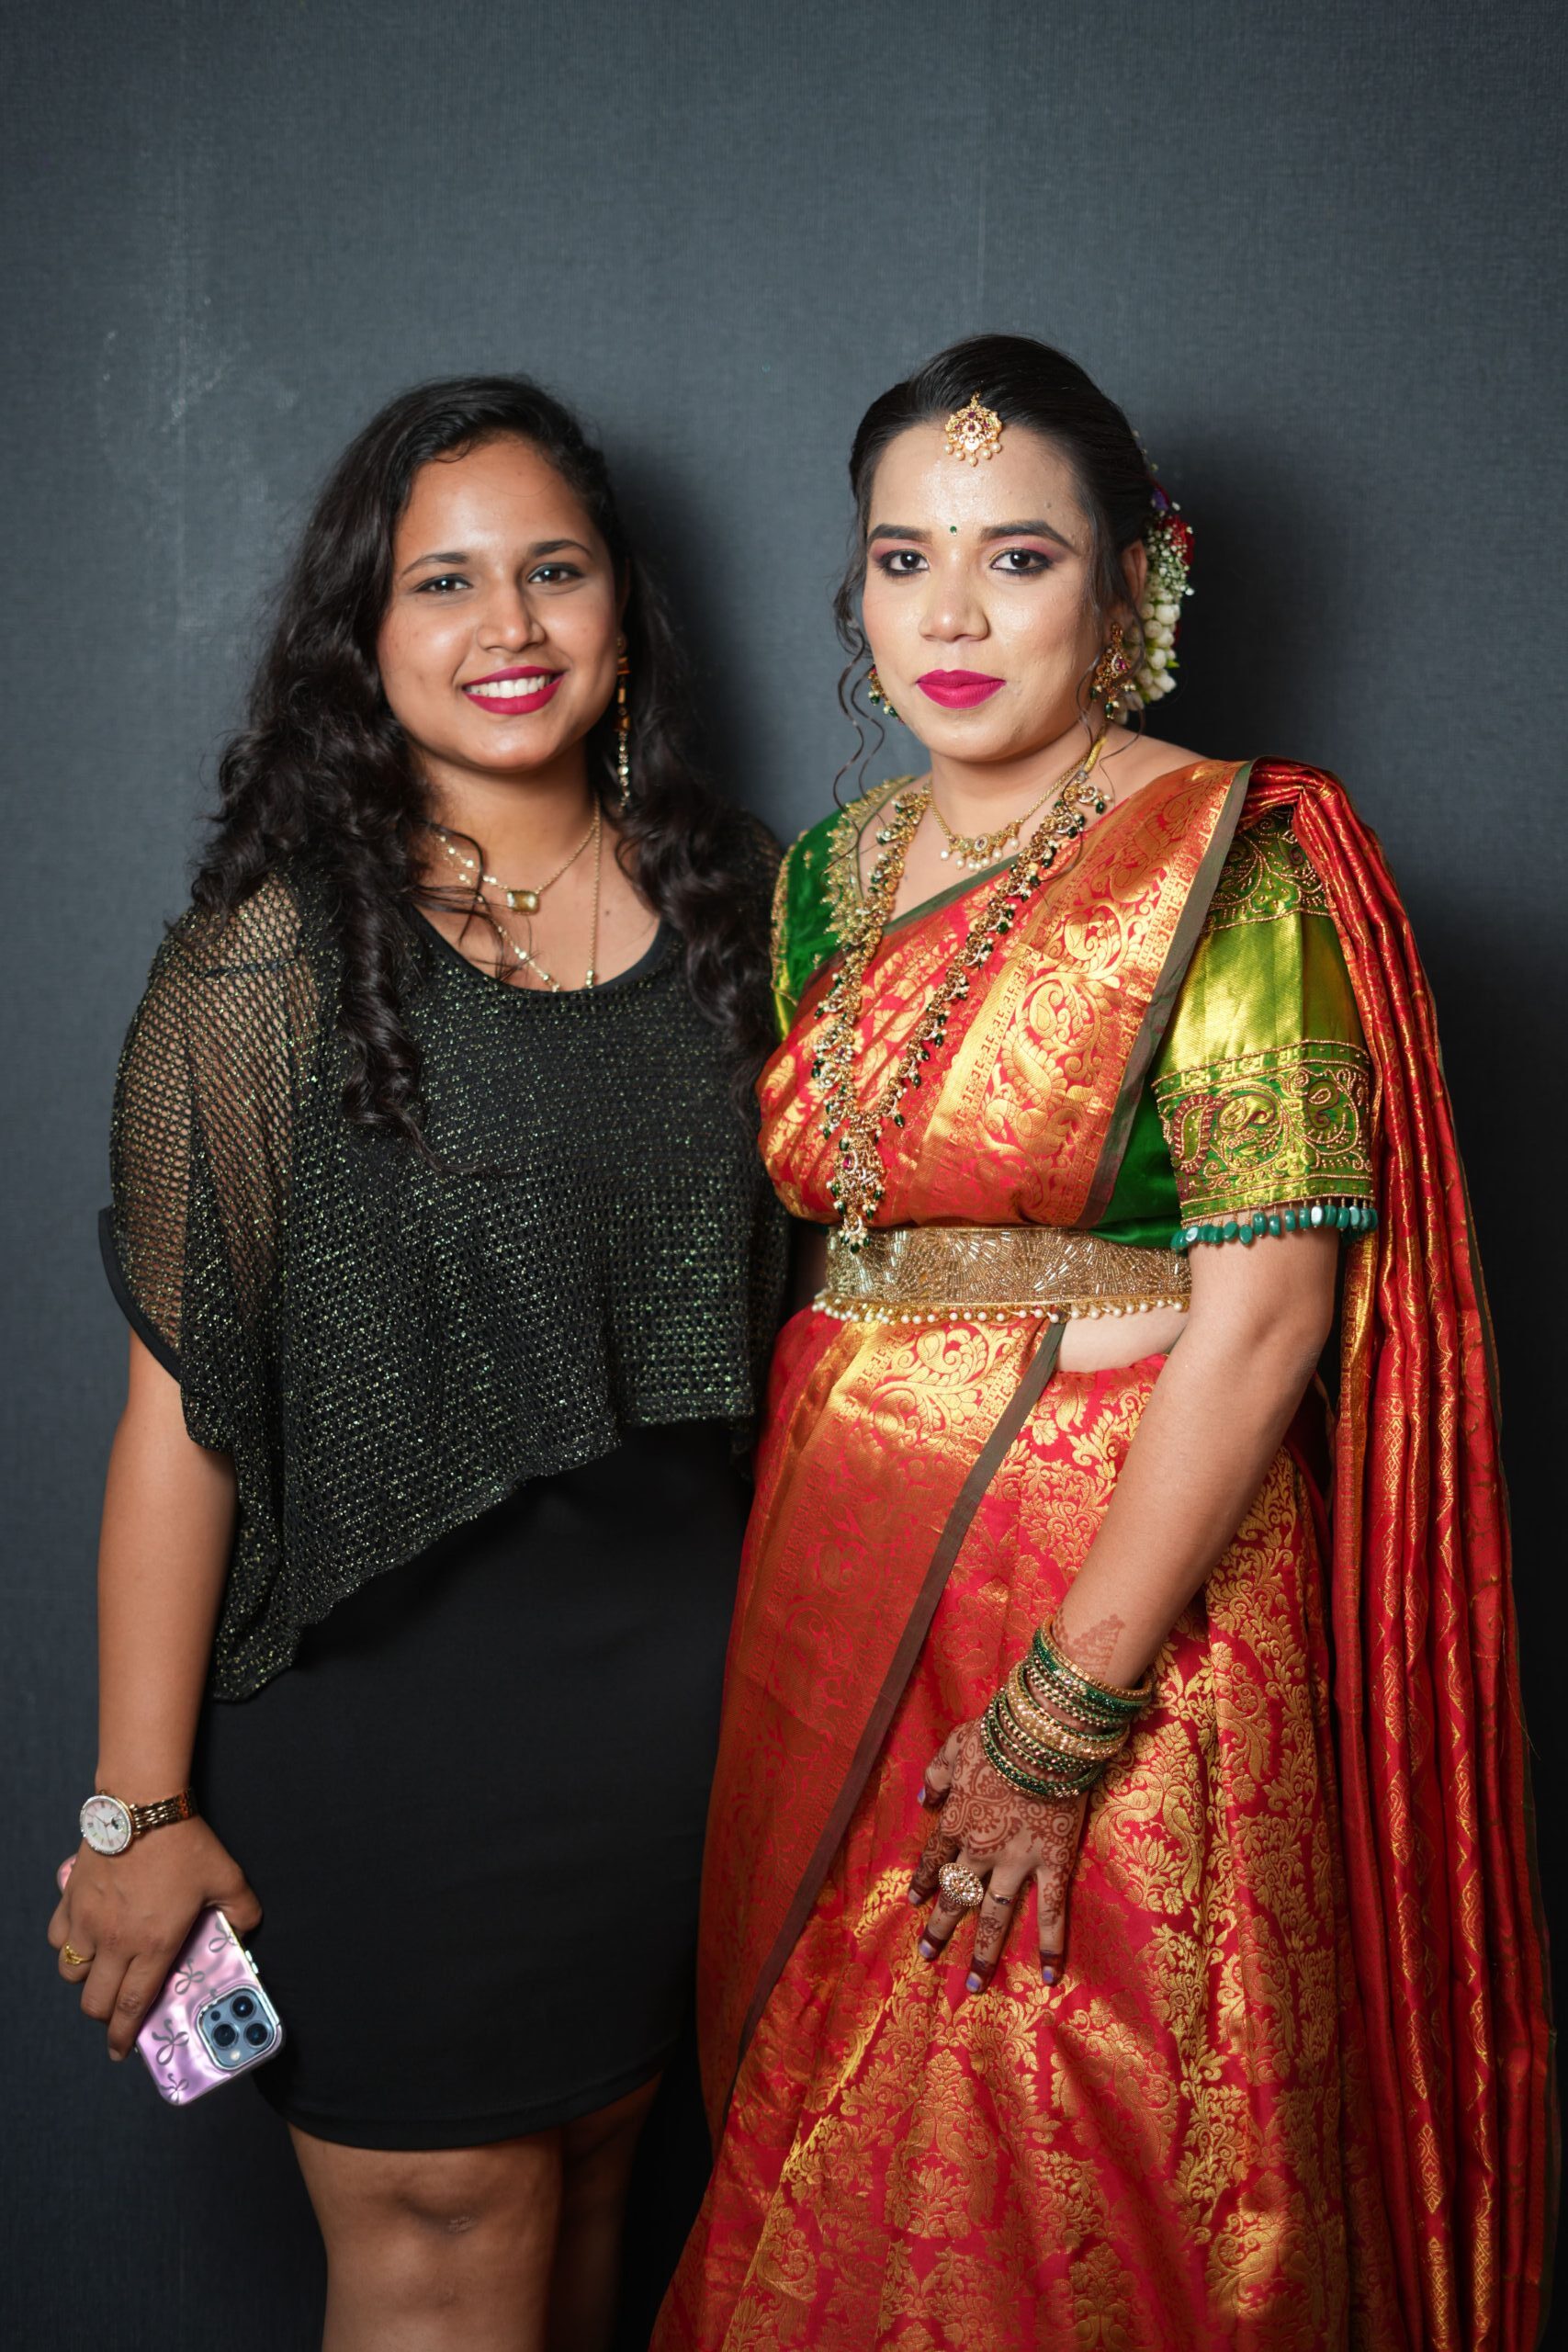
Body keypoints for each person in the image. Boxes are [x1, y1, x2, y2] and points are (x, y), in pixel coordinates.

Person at [657, 336, 1552, 2349]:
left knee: (1062, 2159)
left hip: (1118, 1609)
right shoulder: (825, 879)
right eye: (903, 558)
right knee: (823, 2146)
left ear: (1129, 585)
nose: (951, 616)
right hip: (842, 1581)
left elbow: (1268, 1312)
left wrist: (1067, 1710)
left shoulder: (1234, 862)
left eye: (1018, 557)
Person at [48, 376, 785, 2352]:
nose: (508, 626)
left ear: (622, 607)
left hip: (679, 1740)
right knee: (446, 2236)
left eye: (555, 569)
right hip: (385, 1743)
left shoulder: (752, 905)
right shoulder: (265, 963)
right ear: (361, 638)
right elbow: (178, 1418)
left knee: (601, 2212)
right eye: (442, 581)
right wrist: (136, 1809)